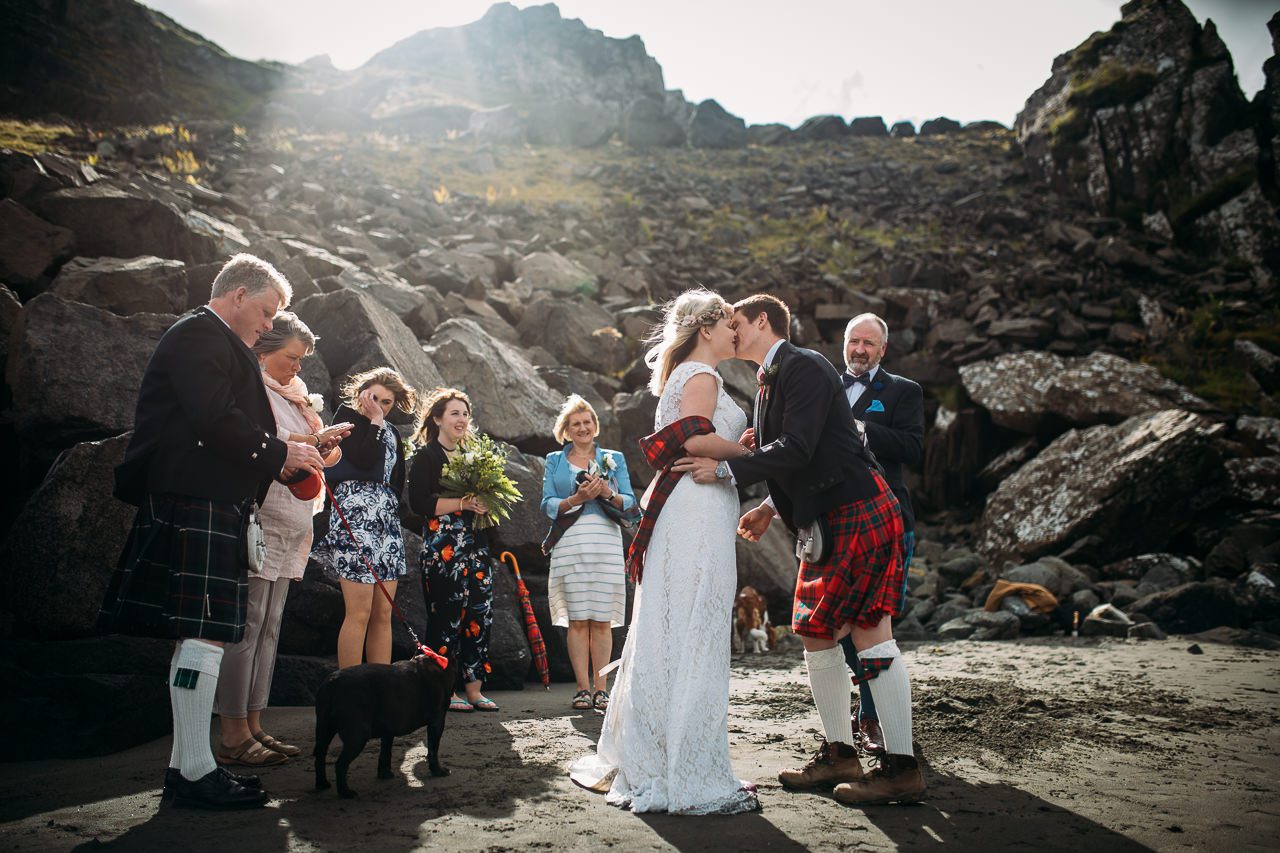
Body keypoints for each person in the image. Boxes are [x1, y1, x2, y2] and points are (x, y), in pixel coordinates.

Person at [99, 253, 325, 810]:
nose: (270, 325)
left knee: (198, 635)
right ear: (239, 295)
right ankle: (196, 771)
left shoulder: (215, 342)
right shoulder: (200, 336)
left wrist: (287, 453)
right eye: (268, 312)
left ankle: (187, 765)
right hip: (196, 498)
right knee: (203, 632)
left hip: (208, 498)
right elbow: (214, 419)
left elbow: (229, 420)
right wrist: (279, 454)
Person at [679, 293, 924, 806]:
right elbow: (800, 452)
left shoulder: (805, 366)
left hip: (858, 508)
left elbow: (800, 447)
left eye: (735, 322)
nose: (730, 331)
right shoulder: (770, 380)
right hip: (827, 517)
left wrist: (726, 468)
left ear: (761, 321)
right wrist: (771, 506)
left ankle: (902, 766)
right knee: (815, 632)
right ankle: (840, 753)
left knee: (870, 629)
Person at [568, 288, 759, 815]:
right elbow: (695, 440)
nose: (735, 333)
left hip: (696, 505)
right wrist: (750, 454)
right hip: (696, 507)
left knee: (675, 625)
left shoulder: (687, 376)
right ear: (706, 329)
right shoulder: (701, 376)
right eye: (728, 326)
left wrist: (732, 461)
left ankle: (659, 750)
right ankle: (683, 765)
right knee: (693, 625)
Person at [214, 312, 349, 767]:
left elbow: (302, 449)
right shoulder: (253, 389)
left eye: (302, 359)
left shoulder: (297, 397)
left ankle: (255, 723)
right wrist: (311, 438)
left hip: (294, 519)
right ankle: (233, 729)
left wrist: (321, 441)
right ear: (264, 350)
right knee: (248, 626)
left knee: (270, 629)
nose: (297, 367)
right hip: (263, 515)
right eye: (291, 357)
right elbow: (263, 439)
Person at [836, 313, 924, 756]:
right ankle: (864, 706)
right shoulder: (826, 389)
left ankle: (870, 714)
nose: (860, 349)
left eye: (869, 343)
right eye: (854, 341)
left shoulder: (904, 391)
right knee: (837, 624)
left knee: (875, 623)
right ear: (844, 343)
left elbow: (914, 448)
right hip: (832, 522)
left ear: (882, 350)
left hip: (887, 523)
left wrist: (865, 430)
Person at [311, 367, 417, 670]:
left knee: (383, 613)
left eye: (386, 402)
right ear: (361, 394)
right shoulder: (346, 424)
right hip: (354, 518)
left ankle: (379, 686)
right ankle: (350, 686)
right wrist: (374, 422)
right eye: (374, 398)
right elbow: (363, 459)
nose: (379, 406)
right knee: (359, 611)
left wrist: (379, 423)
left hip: (386, 523)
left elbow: (396, 481)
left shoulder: (391, 431)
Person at [540, 394, 637, 712]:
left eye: (586, 422)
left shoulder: (614, 458)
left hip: (606, 542)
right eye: (575, 424)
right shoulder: (554, 460)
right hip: (570, 543)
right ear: (566, 430)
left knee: (603, 620)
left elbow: (630, 501)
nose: (581, 428)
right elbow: (547, 504)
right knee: (578, 620)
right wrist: (576, 498)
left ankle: (601, 689)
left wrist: (607, 492)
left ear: (595, 426)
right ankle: (582, 688)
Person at [407, 388, 499, 713]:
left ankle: (474, 689)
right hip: (443, 549)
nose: (461, 420)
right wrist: (463, 503)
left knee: (479, 613)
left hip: (476, 547)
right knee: (446, 615)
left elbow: (488, 501)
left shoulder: (475, 458)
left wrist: (488, 503)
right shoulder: (427, 456)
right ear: (437, 419)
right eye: (454, 413)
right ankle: (442, 690)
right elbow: (418, 503)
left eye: (465, 414)